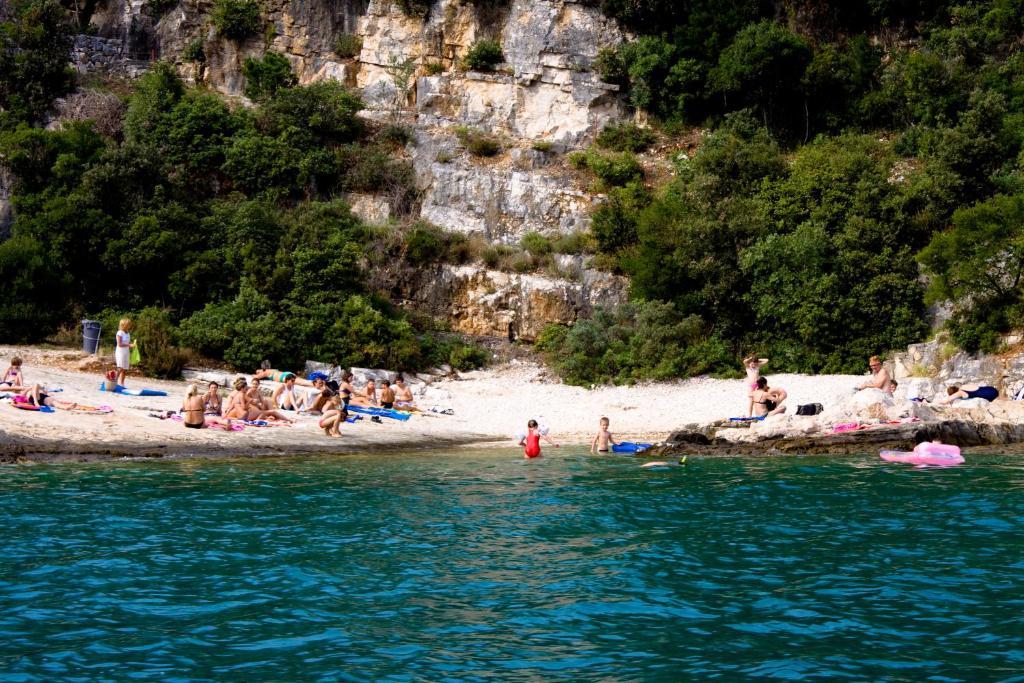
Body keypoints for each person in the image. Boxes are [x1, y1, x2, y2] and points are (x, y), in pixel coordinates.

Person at [114, 318, 136, 387]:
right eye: (129, 324)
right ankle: (113, 382)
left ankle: (122, 384)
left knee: (125, 369)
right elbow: (119, 344)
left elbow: (127, 343)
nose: (130, 325)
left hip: (126, 352)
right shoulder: (119, 332)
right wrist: (130, 345)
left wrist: (133, 346)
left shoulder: (128, 333)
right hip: (120, 352)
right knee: (120, 367)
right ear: (124, 325)